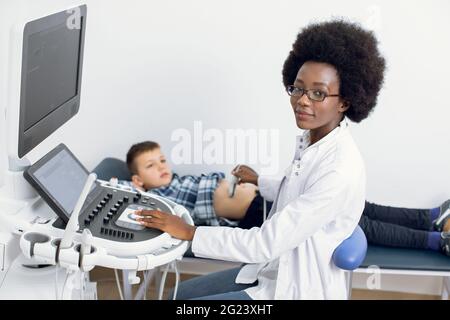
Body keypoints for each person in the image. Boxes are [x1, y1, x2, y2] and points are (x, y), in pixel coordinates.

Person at [134, 20, 386, 299]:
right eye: (298, 88)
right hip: (272, 271)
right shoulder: (314, 140)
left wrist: (190, 231)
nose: (302, 100)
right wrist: (260, 181)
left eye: (318, 93)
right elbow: (297, 192)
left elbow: (264, 243)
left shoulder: (339, 167)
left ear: (345, 101)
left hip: (297, 289)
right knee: (176, 297)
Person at [123, 141, 266, 228]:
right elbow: (115, 190)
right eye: (150, 165)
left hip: (263, 192)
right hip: (255, 210)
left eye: (162, 160)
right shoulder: (157, 199)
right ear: (138, 180)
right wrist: (137, 189)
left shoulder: (179, 181)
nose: (161, 167)